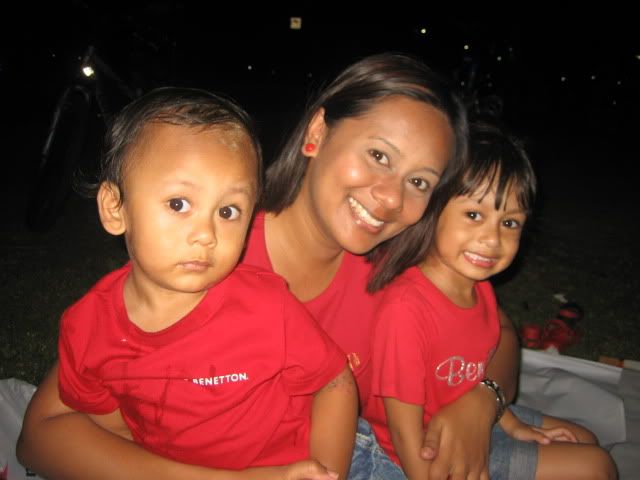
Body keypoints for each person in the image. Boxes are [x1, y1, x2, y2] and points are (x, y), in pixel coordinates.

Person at [18, 53, 510, 480]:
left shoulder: (397, 269)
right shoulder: (205, 255)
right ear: (317, 133)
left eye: (419, 182)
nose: (390, 198)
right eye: (379, 155)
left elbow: (501, 336)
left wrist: (484, 399)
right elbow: (43, 434)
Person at [21, 87, 358, 480]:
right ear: (115, 208)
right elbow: (111, 427)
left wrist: (326, 471)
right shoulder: (88, 330)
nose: (206, 234)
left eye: (228, 211)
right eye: (179, 204)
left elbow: (335, 379)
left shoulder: (267, 306)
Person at [364, 122, 618, 480]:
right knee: (596, 467)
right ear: (433, 208)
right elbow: (403, 433)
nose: (492, 239)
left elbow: (471, 379)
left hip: (475, 421)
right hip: (426, 455)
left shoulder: (478, 287)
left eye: (510, 223)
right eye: (474, 215)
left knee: (584, 439)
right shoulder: (406, 309)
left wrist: (513, 425)